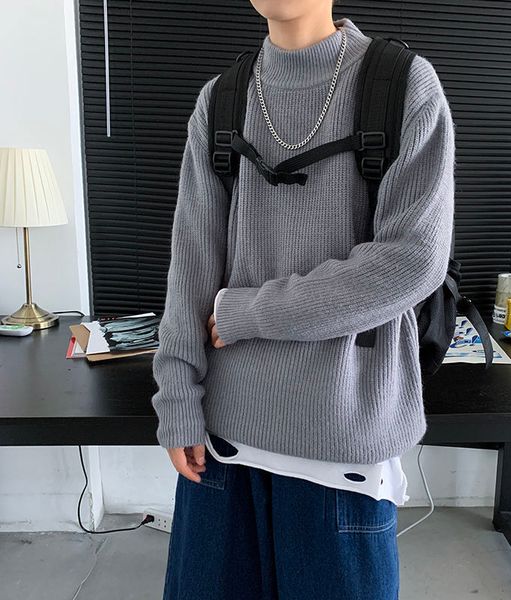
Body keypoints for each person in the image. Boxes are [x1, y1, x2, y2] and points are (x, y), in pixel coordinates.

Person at [151, 1, 455, 598]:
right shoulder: (221, 100)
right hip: (222, 446)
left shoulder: (402, 86)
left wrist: (248, 313)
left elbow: (411, 262)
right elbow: (190, 265)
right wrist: (176, 399)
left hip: (341, 446)